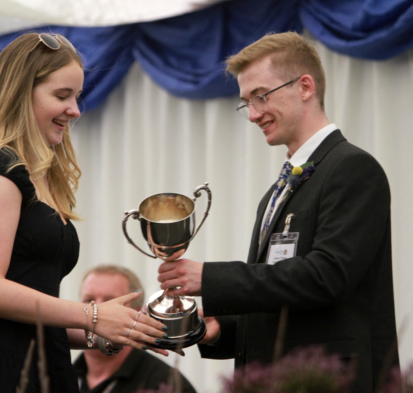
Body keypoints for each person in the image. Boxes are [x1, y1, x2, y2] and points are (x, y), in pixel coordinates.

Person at [0, 32, 169, 393]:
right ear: (21, 93)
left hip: (36, 360)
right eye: (62, 96)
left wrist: (110, 331)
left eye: (77, 97)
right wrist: (93, 315)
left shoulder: (40, 177)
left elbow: (30, 313)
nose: (75, 110)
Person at [157, 32, 398, 392]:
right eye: (246, 103)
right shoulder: (277, 190)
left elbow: (326, 276)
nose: (253, 114)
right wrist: (220, 330)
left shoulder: (352, 168)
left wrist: (211, 278)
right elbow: (280, 295)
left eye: (261, 96)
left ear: (305, 87)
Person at [71, 265, 197, 393]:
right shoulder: (62, 373)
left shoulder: (168, 384)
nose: (98, 310)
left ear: (137, 315)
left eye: (110, 303)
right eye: (88, 300)